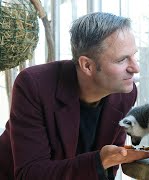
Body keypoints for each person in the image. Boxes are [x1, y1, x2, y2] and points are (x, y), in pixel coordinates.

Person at [0, 12, 140, 180]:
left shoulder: (125, 94)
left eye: (134, 56)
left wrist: (108, 160)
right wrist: (98, 161)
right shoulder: (34, 84)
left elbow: (109, 167)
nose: (135, 68)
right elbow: (30, 173)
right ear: (87, 65)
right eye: (122, 60)